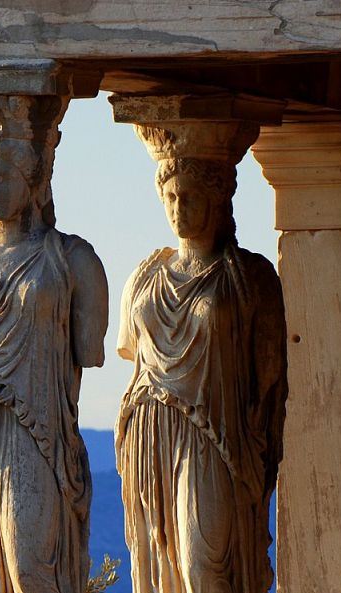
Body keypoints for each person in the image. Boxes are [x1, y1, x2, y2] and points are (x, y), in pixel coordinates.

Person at [0, 95, 108, 593]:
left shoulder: (72, 260)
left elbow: (89, 350)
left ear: (32, 176)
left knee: (30, 567)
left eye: (6, 175)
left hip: (33, 426)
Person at [116, 155, 286, 593]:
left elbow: (269, 376)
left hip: (214, 435)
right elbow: (131, 350)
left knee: (202, 566)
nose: (178, 207)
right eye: (171, 196)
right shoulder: (145, 274)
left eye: (190, 197)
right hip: (149, 431)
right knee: (160, 566)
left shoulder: (250, 278)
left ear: (217, 200)